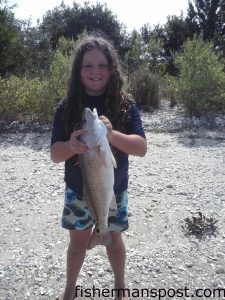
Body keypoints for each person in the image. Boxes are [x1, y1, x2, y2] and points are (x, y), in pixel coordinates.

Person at [50, 34, 147, 300]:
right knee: (77, 244)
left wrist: (111, 135)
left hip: (114, 191)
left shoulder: (125, 105)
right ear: (78, 70)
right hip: (77, 193)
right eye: (88, 65)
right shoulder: (66, 107)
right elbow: (55, 155)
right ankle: (69, 289)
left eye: (102, 65)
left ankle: (119, 287)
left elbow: (141, 148)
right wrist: (71, 146)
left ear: (112, 68)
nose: (95, 71)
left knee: (114, 241)